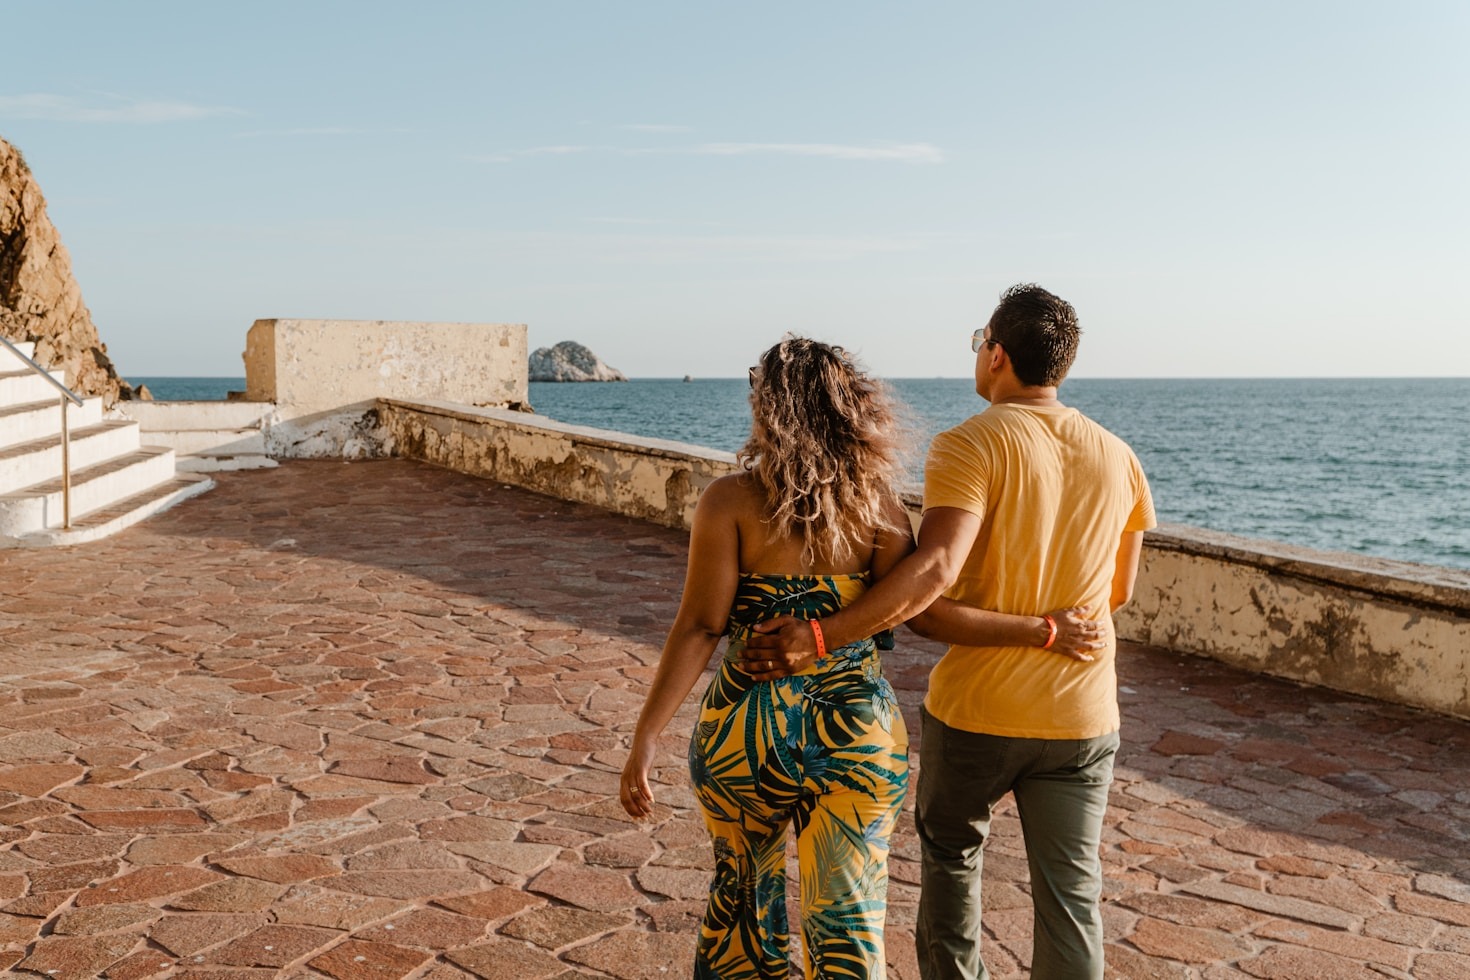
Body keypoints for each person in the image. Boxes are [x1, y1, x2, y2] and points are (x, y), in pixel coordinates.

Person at [619, 335, 1099, 980]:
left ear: (769, 407)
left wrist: (646, 737)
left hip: (745, 737)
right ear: (853, 410)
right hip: (855, 738)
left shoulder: (728, 502)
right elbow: (920, 607)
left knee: (740, 908)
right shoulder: (876, 505)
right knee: (846, 923)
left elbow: (700, 626)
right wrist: (1041, 628)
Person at [744, 284, 1156, 980]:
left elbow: (929, 583)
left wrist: (820, 636)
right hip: (1083, 716)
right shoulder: (1120, 457)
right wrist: (1053, 629)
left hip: (979, 712)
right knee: (1071, 895)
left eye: (977, 344)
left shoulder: (970, 445)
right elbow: (1118, 593)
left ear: (996, 354)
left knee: (952, 866)